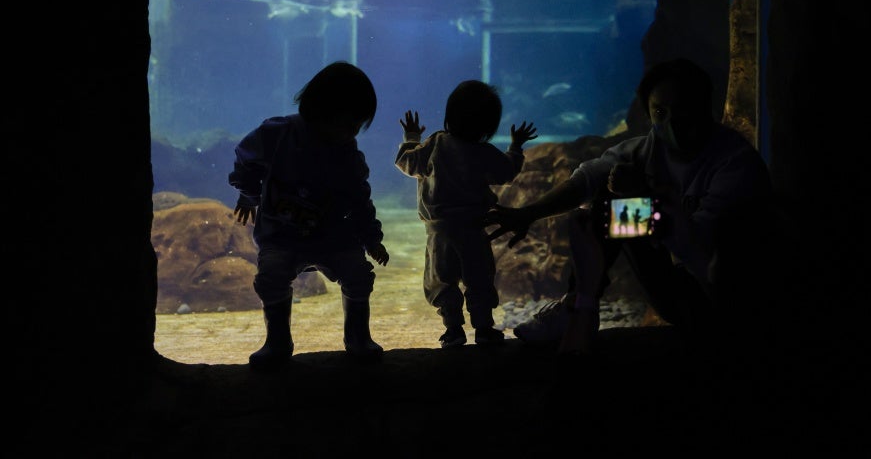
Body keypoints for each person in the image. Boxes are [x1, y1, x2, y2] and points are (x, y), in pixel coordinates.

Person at [485, 57, 774, 355]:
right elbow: (585, 182)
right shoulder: (645, 150)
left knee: (617, 206)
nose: (671, 122)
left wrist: (643, 198)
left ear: (705, 107)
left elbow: (699, 249)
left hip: (725, 300)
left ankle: (580, 307)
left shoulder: (735, 164)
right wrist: (528, 213)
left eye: (683, 109)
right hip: (676, 290)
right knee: (607, 204)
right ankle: (577, 305)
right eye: (660, 112)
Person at [229, 61, 390, 369]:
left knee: (358, 275)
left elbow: (360, 199)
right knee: (270, 278)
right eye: (348, 124)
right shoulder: (276, 134)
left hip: (336, 237)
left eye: (357, 125)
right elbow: (246, 158)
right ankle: (277, 341)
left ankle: (357, 337)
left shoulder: (348, 155)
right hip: (282, 235)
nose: (353, 133)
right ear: (321, 110)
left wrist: (371, 239)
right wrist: (248, 194)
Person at [395, 80, 537, 348]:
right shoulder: (484, 153)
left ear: (450, 116)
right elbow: (506, 172)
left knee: (441, 282)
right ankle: (484, 328)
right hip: (474, 230)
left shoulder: (435, 143)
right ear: (488, 127)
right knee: (479, 280)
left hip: (440, 233)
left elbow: (407, 162)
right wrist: (516, 146)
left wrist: (411, 139)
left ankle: (453, 331)